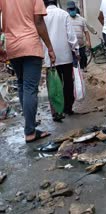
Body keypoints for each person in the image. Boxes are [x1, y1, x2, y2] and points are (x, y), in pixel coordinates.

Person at [0, 0, 56, 143]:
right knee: (30, 87)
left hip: (12, 46)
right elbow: (39, 22)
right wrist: (49, 47)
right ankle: (30, 131)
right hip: (30, 45)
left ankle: (29, 123)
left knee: (21, 84)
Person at [43, 0, 80, 121]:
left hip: (50, 55)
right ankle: (68, 108)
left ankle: (56, 111)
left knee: (53, 85)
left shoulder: (41, 15)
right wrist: (76, 50)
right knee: (68, 82)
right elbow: (71, 35)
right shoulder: (63, 14)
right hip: (65, 55)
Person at [67, 1, 92, 72]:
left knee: (83, 57)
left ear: (75, 8)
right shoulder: (66, 19)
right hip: (71, 46)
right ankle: (76, 73)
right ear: (68, 10)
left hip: (81, 44)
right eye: (70, 9)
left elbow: (86, 32)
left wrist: (88, 41)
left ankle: (84, 67)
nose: (72, 11)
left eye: (73, 9)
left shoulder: (81, 19)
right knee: (73, 61)